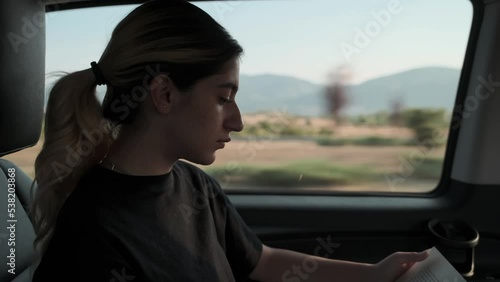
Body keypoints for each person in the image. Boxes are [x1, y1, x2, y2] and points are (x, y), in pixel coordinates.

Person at [30, 1, 429, 281]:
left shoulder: (194, 185)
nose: (237, 122)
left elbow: (262, 261)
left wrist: (373, 275)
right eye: (223, 99)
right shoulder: (91, 234)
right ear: (164, 94)